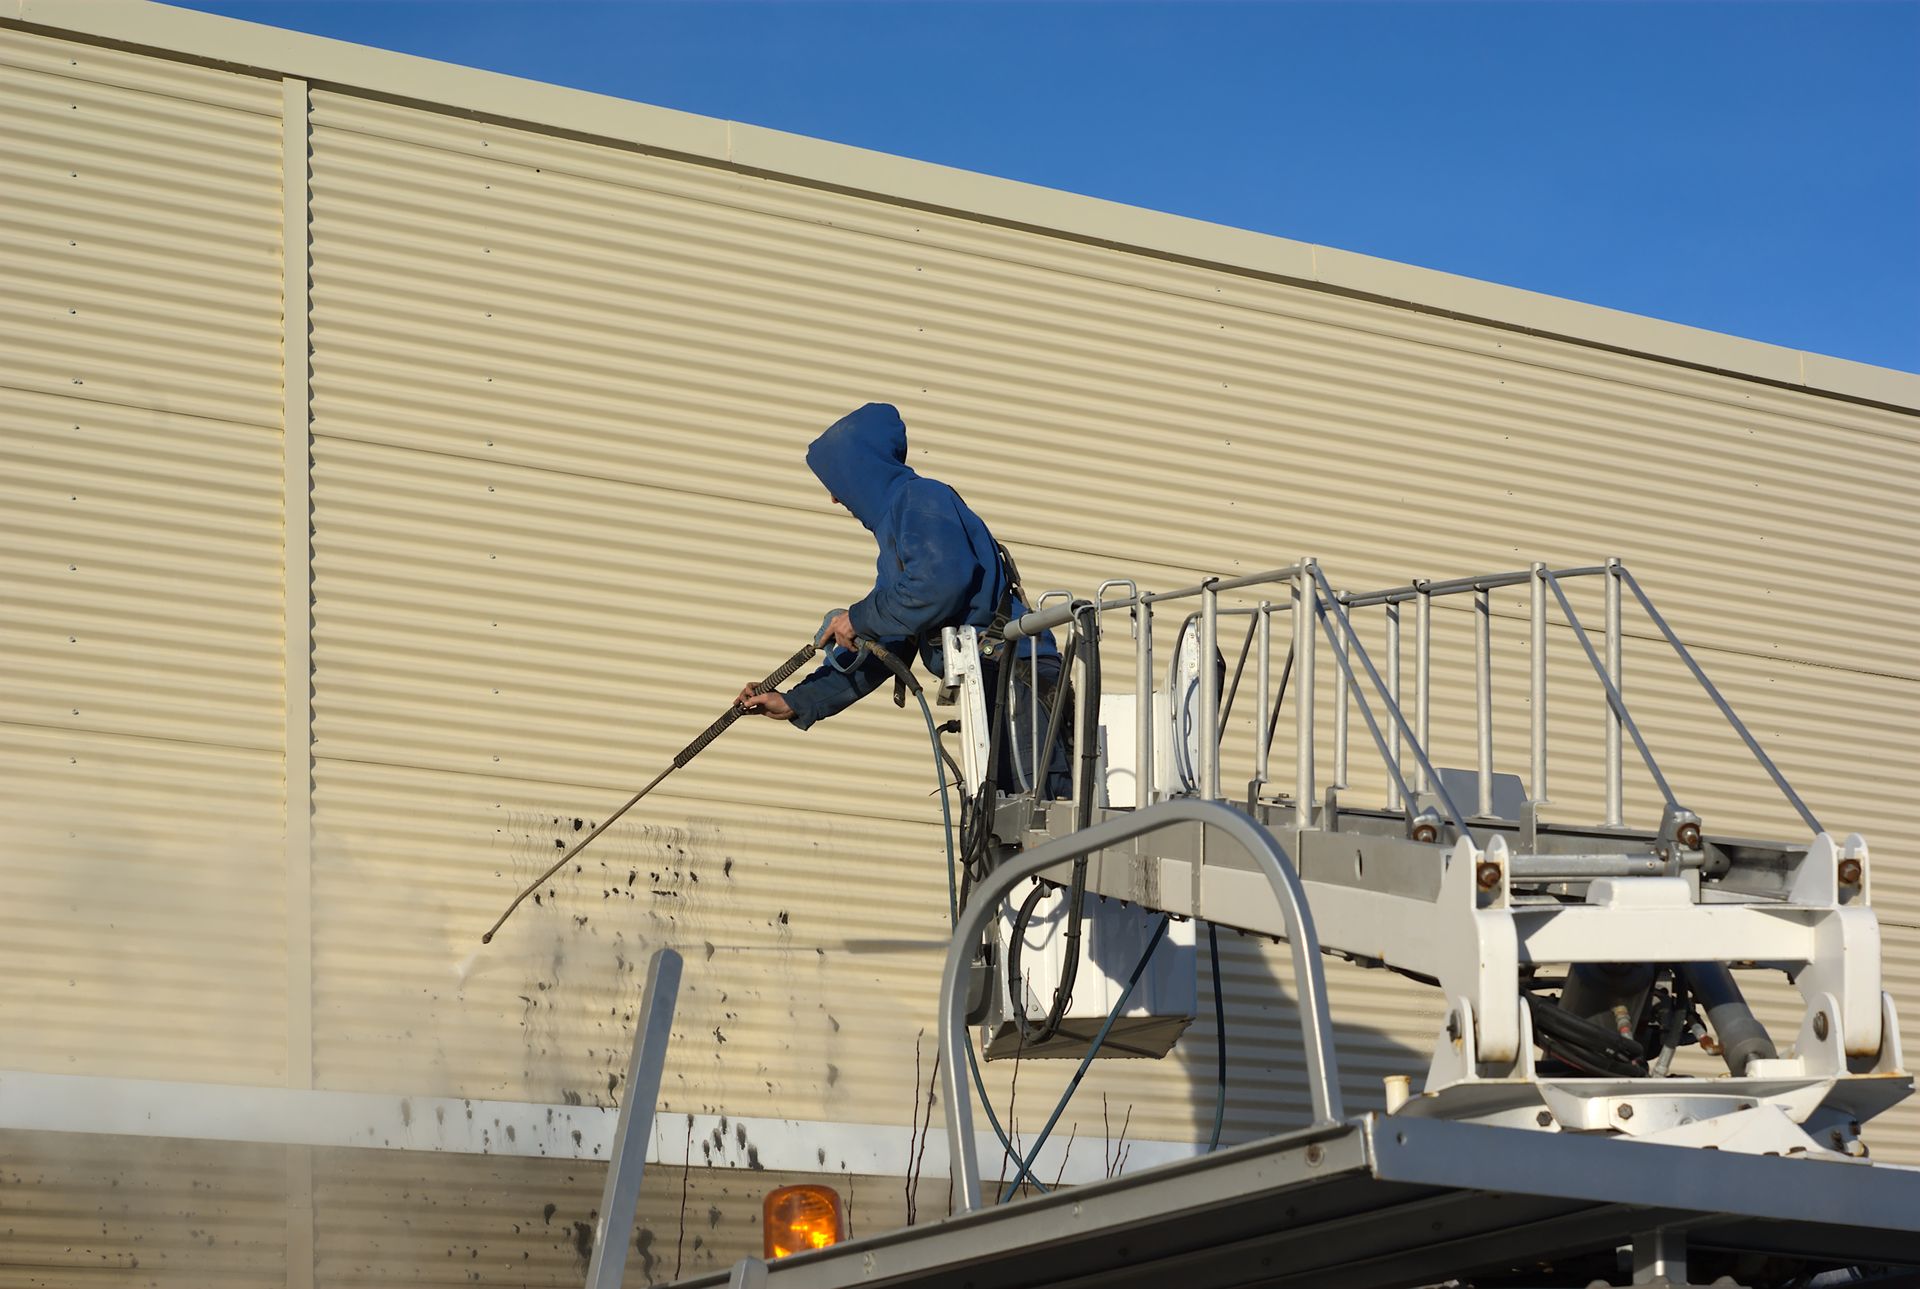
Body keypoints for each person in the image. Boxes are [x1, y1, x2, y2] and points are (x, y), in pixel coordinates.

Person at [737, 402, 1067, 795]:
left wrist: (857, 619)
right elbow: (885, 645)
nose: (835, 500)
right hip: (993, 683)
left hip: (1020, 681)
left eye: (837, 484)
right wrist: (794, 702)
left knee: (1039, 828)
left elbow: (937, 586)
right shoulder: (897, 533)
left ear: (861, 471)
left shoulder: (921, 499)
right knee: (999, 835)